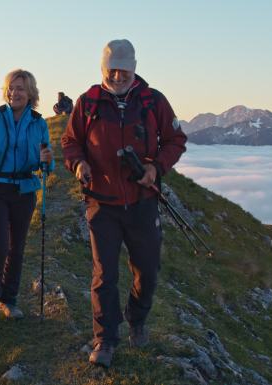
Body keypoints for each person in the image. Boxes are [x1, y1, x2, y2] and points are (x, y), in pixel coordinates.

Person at [61, 39, 187, 367]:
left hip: (143, 201)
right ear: (103, 68)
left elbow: (176, 140)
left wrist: (155, 167)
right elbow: (70, 141)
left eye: (124, 70)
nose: (118, 76)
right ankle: (105, 339)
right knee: (104, 274)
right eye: (111, 69)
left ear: (134, 68)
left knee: (147, 269)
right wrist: (78, 164)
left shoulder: (153, 101)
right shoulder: (87, 102)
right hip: (101, 203)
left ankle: (137, 317)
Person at [0, 69, 54, 324]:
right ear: (6, 91)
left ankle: (9, 300)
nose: (15, 93)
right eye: (12, 88)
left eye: (21, 89)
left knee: (17, 248)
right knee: (0, 246)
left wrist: (48, 161)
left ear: (30, 94)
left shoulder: (39, 123)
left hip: (24, 190)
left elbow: (47, 163)